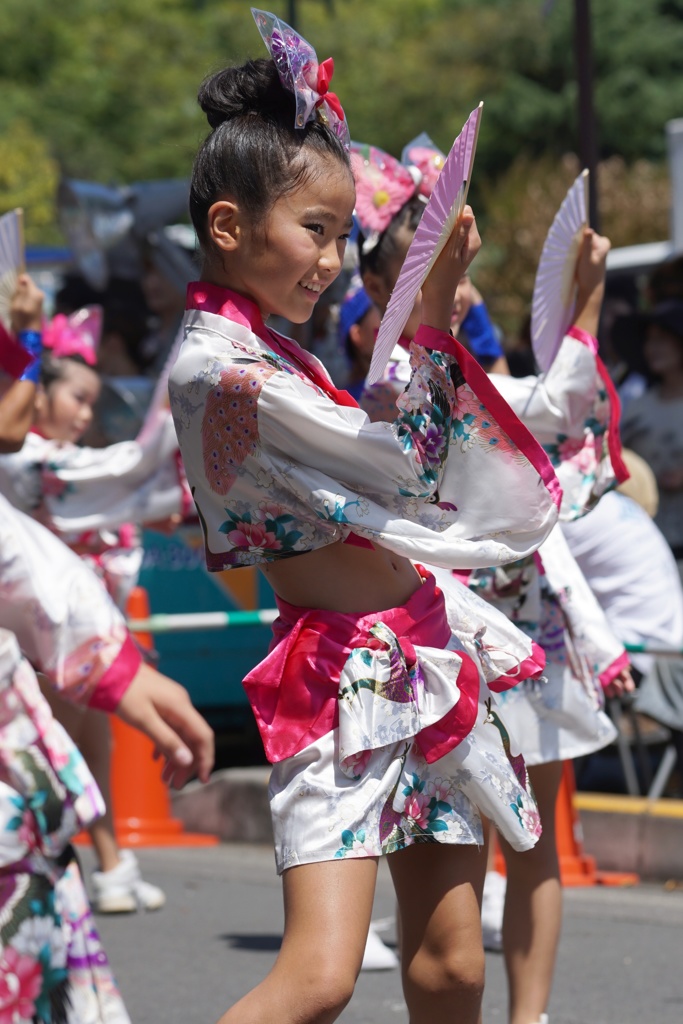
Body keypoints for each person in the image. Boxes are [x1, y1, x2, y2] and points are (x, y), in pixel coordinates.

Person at [168, 11, 563, 1024]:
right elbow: (405, 469)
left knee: (447, 966)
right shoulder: (225, 370)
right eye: (316, 230)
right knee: (319, 976)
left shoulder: (269, 354)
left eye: (342, 234)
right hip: (343, 676)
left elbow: (385, 463)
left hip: (420, 649)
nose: (334, 260)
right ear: (227, 227)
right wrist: (430, 318)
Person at [352, 142, 632, 1024]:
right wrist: (584, 302)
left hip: (524, 624)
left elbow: (550, 408)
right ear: (381, 293)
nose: (460, 287)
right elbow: (546, 413)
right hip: (441, 638)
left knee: (535, 839)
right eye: (438, 272)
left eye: (459, 273)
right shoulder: (379, 392)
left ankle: (529, 1018)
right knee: (451, 840)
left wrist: (585, 298)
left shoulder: (463, 378)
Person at [0, 303, 191, 913]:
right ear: (35, 395)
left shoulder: (39, 462)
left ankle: (104, 864)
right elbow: (127, 470)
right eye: (74, 398)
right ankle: (86, 864)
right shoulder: (25, 462)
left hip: (80, 637)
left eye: (90, 402)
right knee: (55, 748)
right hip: (45, 641)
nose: (84, 413)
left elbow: (123, 489)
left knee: (82, 742)